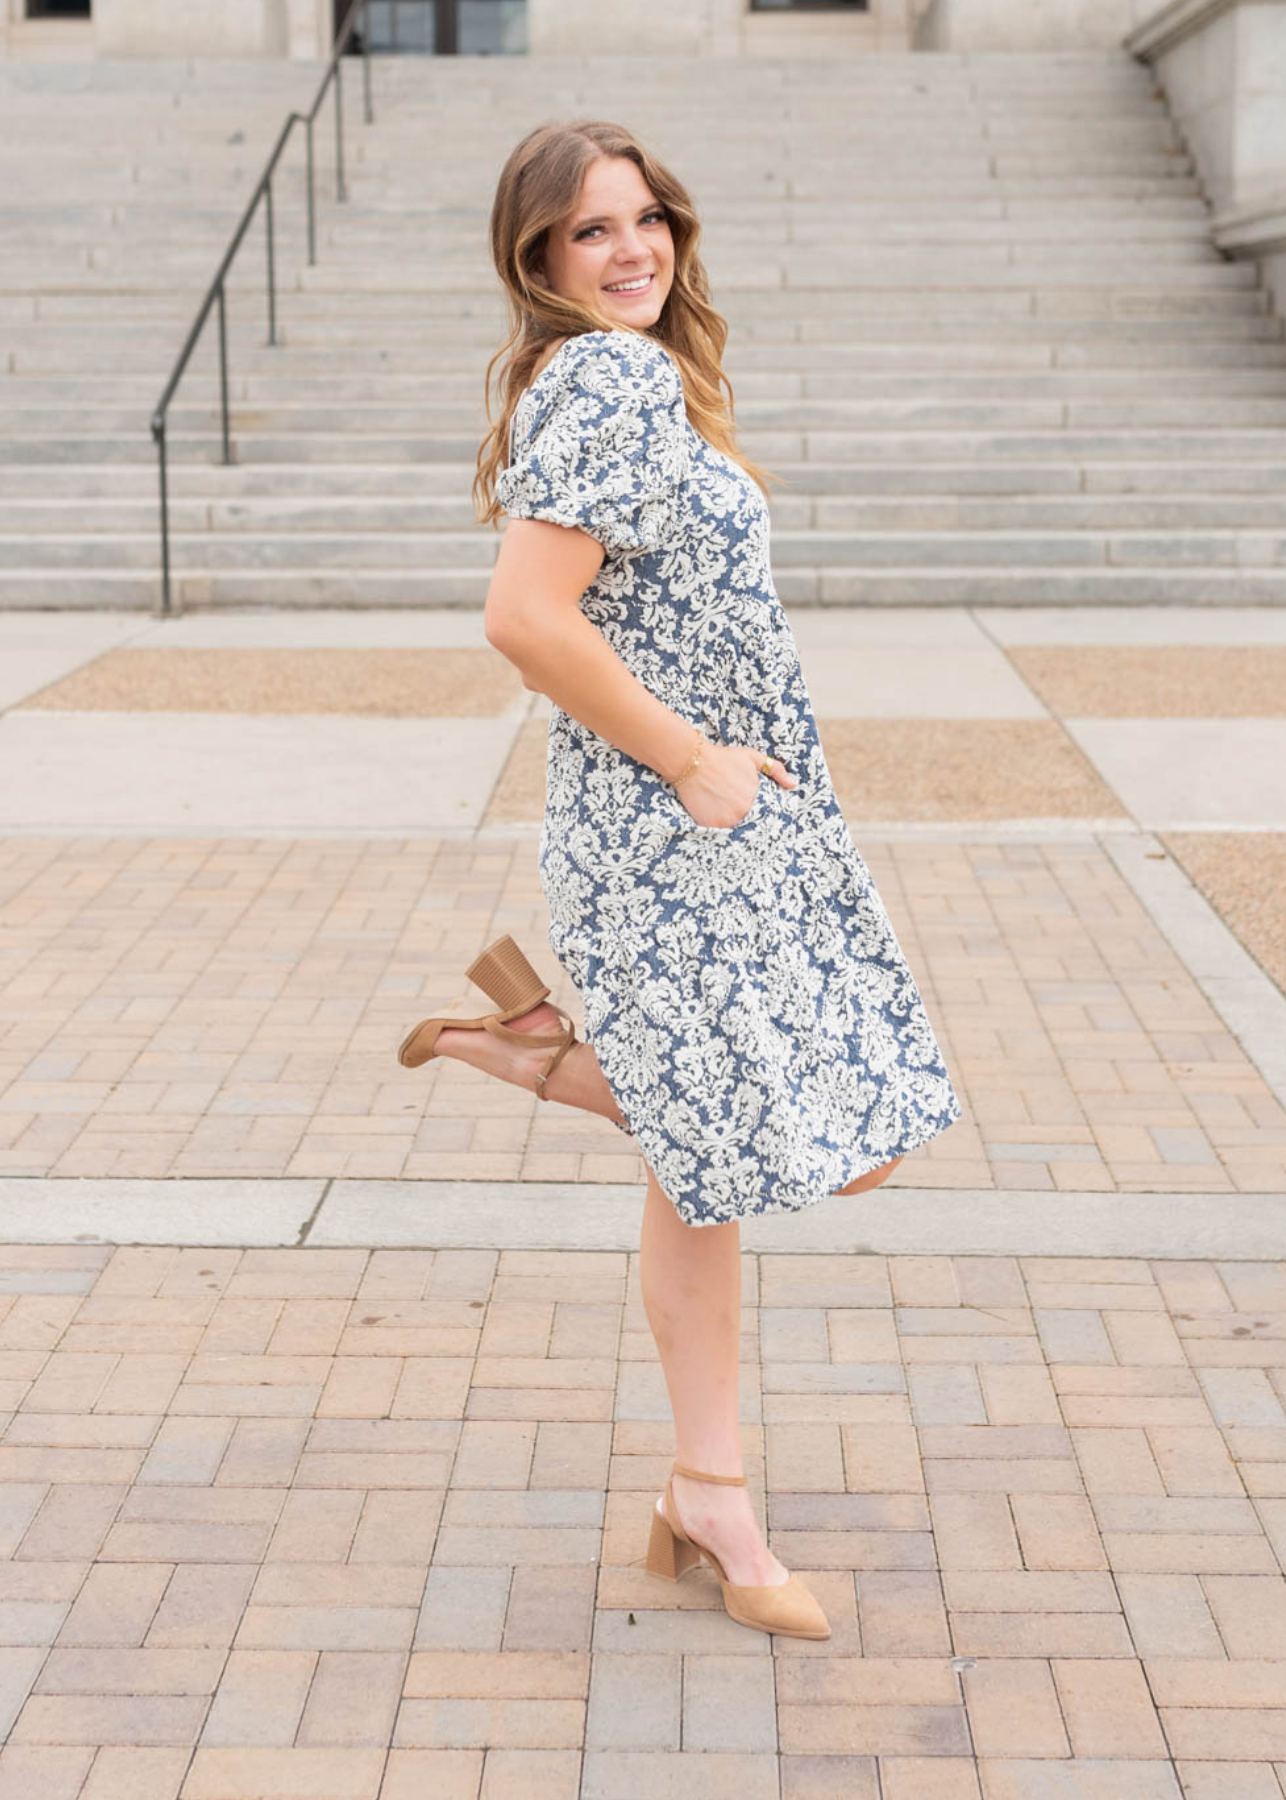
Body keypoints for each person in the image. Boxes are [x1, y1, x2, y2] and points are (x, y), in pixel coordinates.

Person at [398, 119, 964, 1641]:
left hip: (707, 820)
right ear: (539, 257)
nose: (631, 249)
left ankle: (705, 1493)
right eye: (590, 230)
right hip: (672, 827)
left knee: (714, 1165)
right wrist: (693, 761)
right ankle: (535, 1055)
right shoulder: (602, 375)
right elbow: (525, 617)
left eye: (643, 218)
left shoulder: (630, 377)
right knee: (818, 1138)